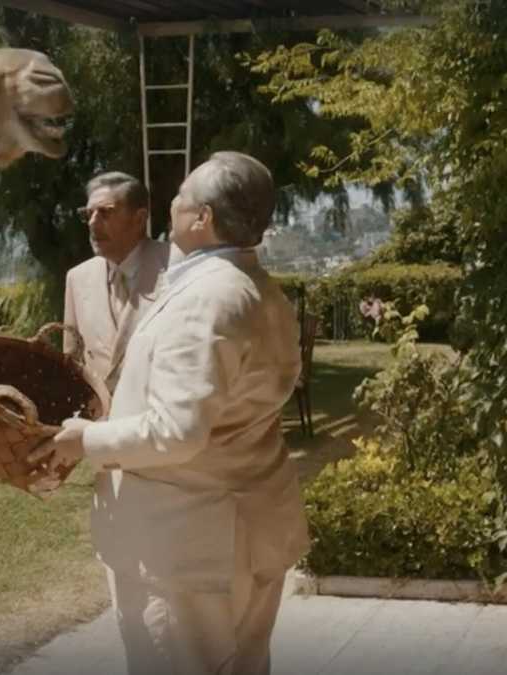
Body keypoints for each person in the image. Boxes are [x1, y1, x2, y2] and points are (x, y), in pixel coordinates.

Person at [32, 152, 309, 675]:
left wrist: (86, 439)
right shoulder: (261, 291)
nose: (172, 204)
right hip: (243, 531)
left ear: (202, 218)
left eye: (181, 196)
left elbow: (178, 431)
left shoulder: (208, 298)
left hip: (188, 552)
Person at [63, 172, 170, 391]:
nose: (93, 223)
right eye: (88, 213)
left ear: (139, 218)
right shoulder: (78, 278)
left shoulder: (176, 268)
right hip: (99, 419)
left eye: (105, 213)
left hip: (156, 418)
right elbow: (71, 362)